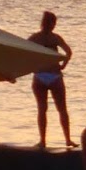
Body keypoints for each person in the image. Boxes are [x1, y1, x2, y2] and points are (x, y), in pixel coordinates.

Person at [28, 11, 76, 149]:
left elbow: (23, 52)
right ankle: (67, 139)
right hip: (54, 75)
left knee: (42, 109)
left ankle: (43, 141)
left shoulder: (34, 38)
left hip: (40, 76)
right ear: (53, 24)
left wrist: (31, 67)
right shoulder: (55, 38)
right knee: (61, 109)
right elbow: (68, 52)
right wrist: (63, 65)